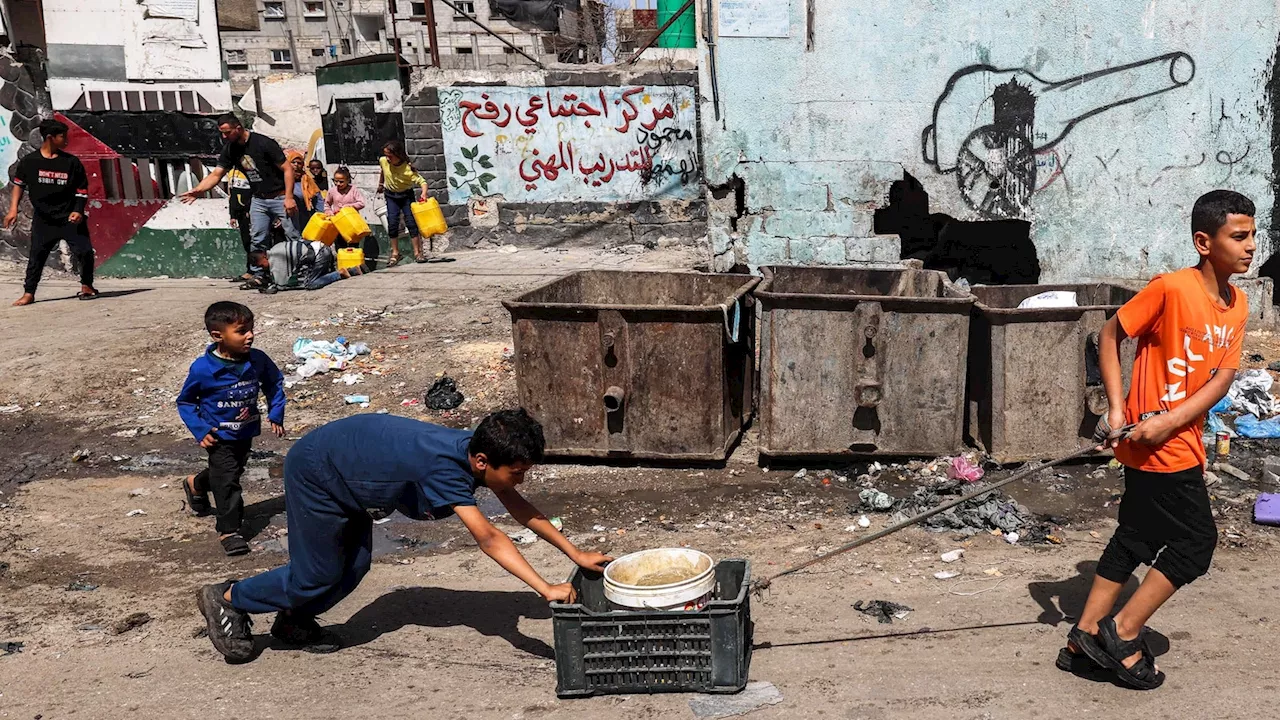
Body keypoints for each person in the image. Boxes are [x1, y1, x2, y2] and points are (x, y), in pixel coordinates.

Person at [195, 409, 611, 661]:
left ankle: (293, 621)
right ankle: (230, 597)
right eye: (517, 472)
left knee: (354, 566)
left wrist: (575, 555)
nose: (519, 480)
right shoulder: (445, 468)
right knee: (314, 575)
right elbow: (488, 537)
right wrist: (543, 587)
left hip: (351, 471)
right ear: (482, 460)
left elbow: (518, 507)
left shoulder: (477, 453)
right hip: (318, 471)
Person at [1063, 189, 1254, 690]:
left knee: (1138, 536)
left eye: (1253, 234)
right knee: (1196, 544)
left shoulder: (1237, 305)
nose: (1251, 245)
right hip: (1157, 449)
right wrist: (1118, 406)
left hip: (1175, 436)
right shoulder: (1171, 288)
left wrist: (1173, 420)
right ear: (1204, 242)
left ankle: (1082, 636)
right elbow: (1108, 335)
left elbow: (1221, 379)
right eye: (1239, 236)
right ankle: (1122, 631)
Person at [176, 301, 286, 557]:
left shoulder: (257, 360)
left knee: (230, 471)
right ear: (218, 336)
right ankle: (229, 530)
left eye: (251, 329)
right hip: (217, 435)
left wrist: (276, 412)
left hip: (244, 432)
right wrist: (201, 430)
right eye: (241, 331)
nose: (250, 335)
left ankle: (196, 484)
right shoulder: (203, 369)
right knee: (227, 481)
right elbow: (185, 401)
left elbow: (274, 382)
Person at [179, 114, 303, 281]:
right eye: (221, 133)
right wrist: (198, 190)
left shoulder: (263, 143)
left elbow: (287, 169)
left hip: (280, 197)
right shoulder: (231, 149)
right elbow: (217, 174)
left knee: (293, 235)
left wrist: (289, 198)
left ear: (238, 128)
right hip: (258, 199)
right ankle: (258, 274)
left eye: (227, 132)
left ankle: (303, 270)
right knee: (258, 238)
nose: (224, 137)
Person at [4, 118, 96, 306]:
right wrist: (13, 209)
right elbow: (19, 185)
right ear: (50, 138)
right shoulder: (30, 162)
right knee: (36, 257)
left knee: (84, 252)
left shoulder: (71, 162)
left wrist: (78, 211)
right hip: (44, 220)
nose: (66, 140)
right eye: (62, 136)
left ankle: (87, 285)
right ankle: (29, 293)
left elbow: (82, 190)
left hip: (70, 219)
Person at [377, 140, 435, 265]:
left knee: (411, 223)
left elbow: (422, 182)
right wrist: (381, 184)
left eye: (390, 156)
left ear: (398, 155)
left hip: (406, 196)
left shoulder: (408, 169)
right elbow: (383, 170)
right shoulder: (383, 161)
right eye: (386, 155)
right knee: (392, 223)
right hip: (391, 196)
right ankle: (395, 253)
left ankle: (417, 253)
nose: (387, 158)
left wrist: (424, 193)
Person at [249, 238, 362, 293]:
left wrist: (271, 288)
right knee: (312, 277)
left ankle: (339, 274)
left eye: (262, 265)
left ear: (264, 257)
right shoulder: (276, 248)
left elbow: (282, 283)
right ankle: (353, 270)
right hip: (321, 250)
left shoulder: (276, 258)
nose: (263, 267)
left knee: (310, 284)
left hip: (320, 254)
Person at [226, 168, 255, 282]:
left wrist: (251, 209)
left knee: (256, 242)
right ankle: (250, 270)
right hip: (240, 215)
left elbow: (253, 193)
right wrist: (232, 215)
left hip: (251, 213)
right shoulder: (232, 172)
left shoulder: (251, 172)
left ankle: (256, 270)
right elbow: (232, 196)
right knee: (246, 242)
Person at [287, 150, 324, 235]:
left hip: (304, 218)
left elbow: (318, 198)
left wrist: (321, 217)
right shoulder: (281, 180)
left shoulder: (307, 180)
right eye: (293, 162)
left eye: (299, 163)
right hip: (286, 219)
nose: (296, 165)